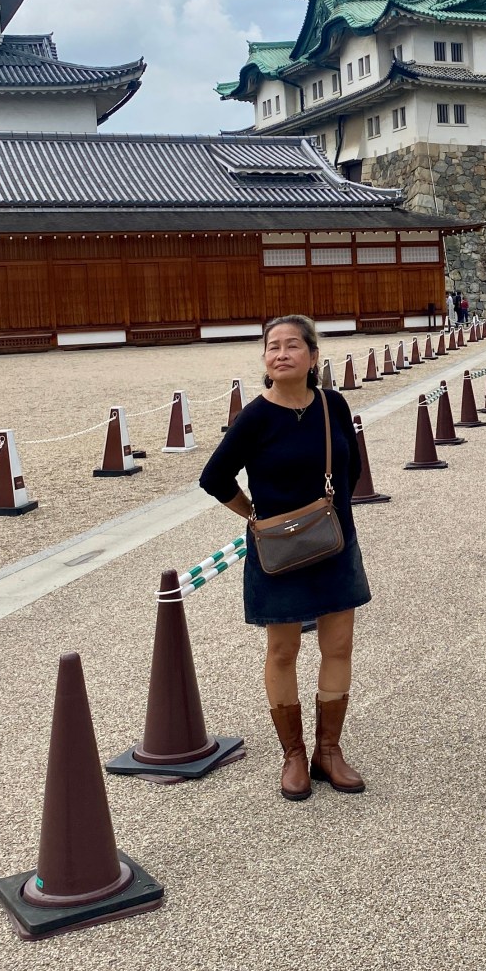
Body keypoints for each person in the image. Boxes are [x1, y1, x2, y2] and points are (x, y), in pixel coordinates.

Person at [198, 315, 371, 802]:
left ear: (313, 356)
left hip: (334, 543)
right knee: (282, 650)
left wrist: (328, 512)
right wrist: (253, 515)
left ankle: (329, 751)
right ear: (265, 361)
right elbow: (215, 477)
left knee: (338, 647)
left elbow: (353, 465)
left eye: (292, 345)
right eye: (272, 347)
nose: (280, 353)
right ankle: (293, 753)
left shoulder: (332, 405)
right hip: (278, 548)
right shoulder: (254, 417)